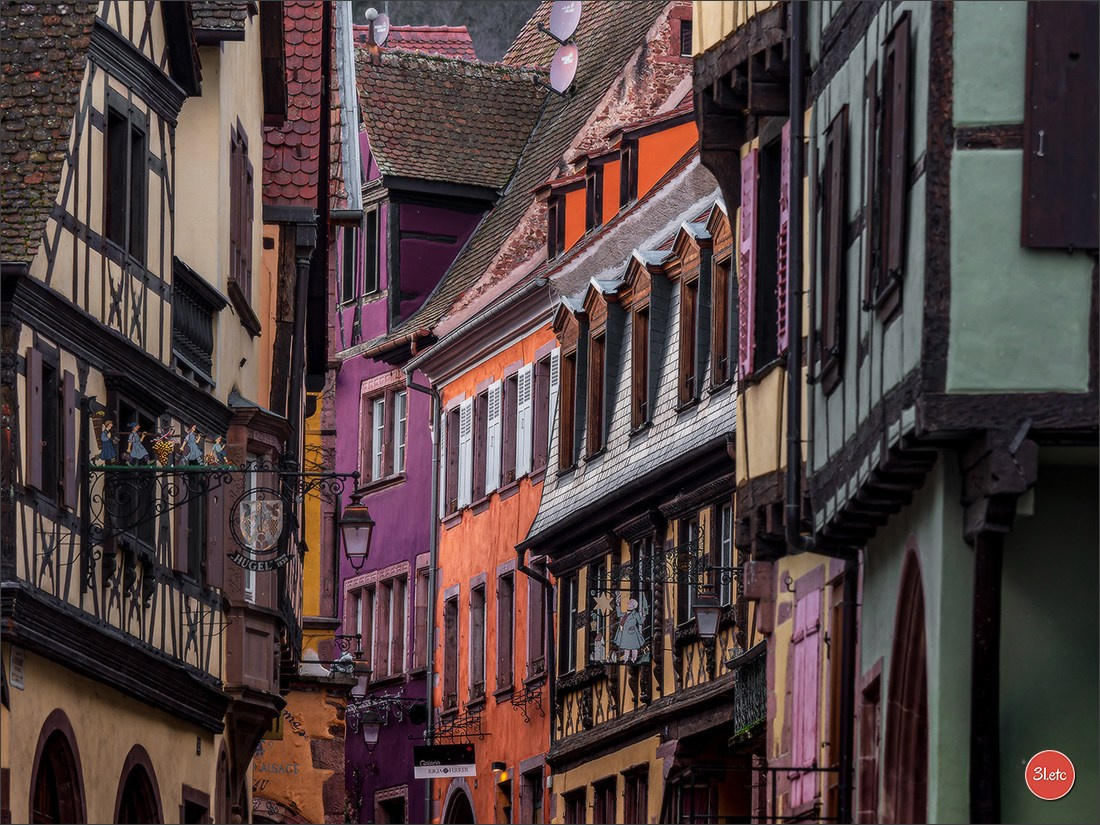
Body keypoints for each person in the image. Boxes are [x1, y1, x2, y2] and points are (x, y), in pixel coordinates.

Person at [613, 596, 647, 663]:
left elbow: (640, 622)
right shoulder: (625, 614)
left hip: (632, 633)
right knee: (626, 648)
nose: (628, 606)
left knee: (634, 648)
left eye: (630, 605)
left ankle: (634, 659)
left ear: (633, 606)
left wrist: (644, 615)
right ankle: (625, 660)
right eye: (628, 604)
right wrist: (618, 604)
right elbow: (619, 614)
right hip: (625, 634)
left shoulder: (635, 614)